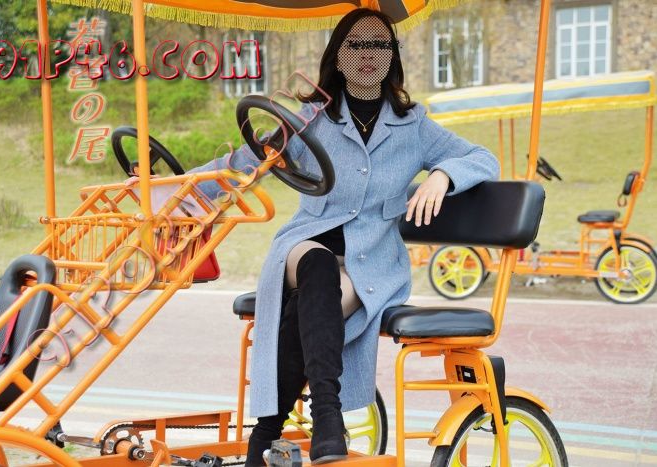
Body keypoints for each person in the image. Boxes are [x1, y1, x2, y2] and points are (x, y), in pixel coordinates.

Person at [183, 8, 500, 465]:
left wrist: (443, 175)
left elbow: (482, 158)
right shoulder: (310, 119)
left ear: (392, 56)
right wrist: (178, 186)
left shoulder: (414, 126)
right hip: (306, 246)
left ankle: (263, 438)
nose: (368, 55)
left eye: (379, 45)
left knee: (311, 307)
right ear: (338, 55)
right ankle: (328, 417)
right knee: (316, 268)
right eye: (357, 45)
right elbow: (245, 162)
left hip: (370, 263)